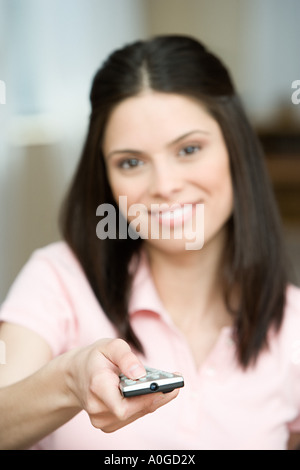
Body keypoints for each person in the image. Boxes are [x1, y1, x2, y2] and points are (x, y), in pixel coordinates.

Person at [0, 35, 300, 450]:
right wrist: (69, 381)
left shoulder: (293, 324)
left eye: (189, 149)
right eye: (131, 162)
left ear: (236, 150)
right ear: (105, 176)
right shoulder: (58, 280)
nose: (164, 186)